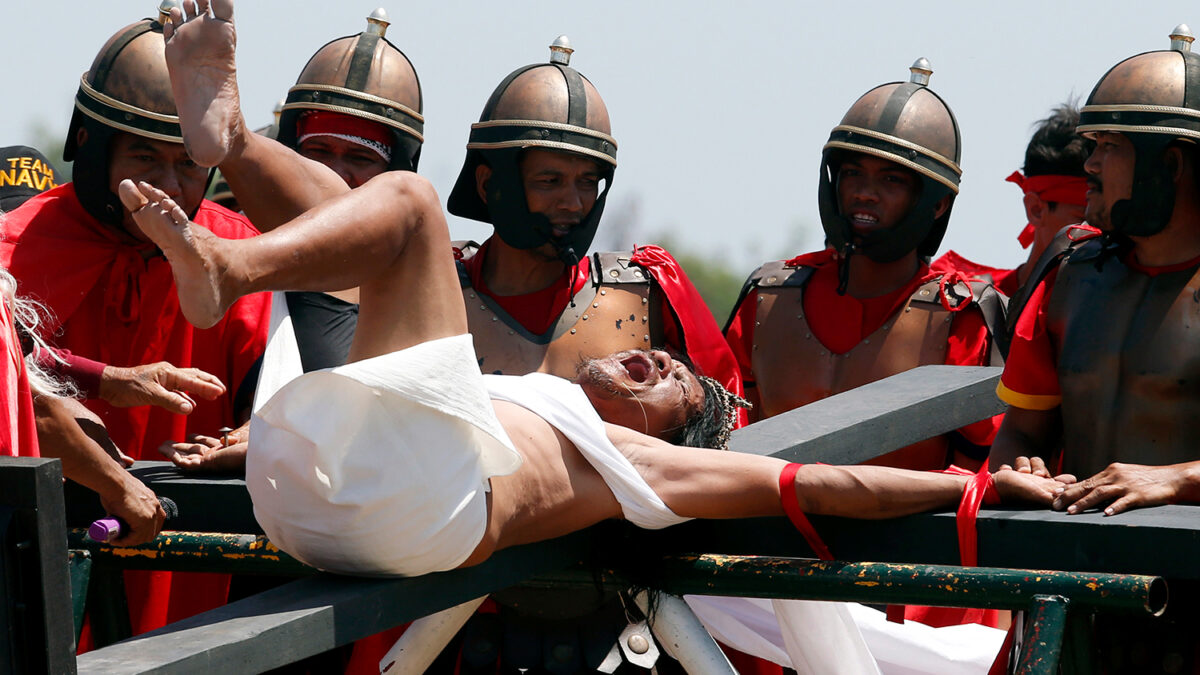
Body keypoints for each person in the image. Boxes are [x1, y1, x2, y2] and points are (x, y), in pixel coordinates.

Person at [117, 163, 1062, 668]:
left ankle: (229, 261)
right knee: (364, 234)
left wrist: (978, 487)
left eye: (675, 386)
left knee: (408, 209)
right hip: (321, 496)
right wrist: (246, 445)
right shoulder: (529, 389)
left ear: (672, 437)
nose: (656, 358)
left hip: (414, 508)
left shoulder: (639, 472)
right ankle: (233, 143)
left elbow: (825, 483)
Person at [160, 4, 743, 670]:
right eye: (549, 180)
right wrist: (269, 432)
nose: (572, 204)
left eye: (587, 182)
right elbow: (360, 411)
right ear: (493, 181)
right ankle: (232, 140)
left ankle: (232, 148)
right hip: (446, 626)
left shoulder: (649, 292)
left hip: (620, 628)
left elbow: (726, 426)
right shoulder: (438, 287)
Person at [0, 10, 270, 639]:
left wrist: (272, 427)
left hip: (189, 597)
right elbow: (22, 392)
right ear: (93, 148)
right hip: (28, 590)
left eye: (188, 163)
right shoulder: (11, 249)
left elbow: (297, 392)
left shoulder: (240, 257)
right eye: (144, 157)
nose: (169, 187)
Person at [990, 27, 1200, 674]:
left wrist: (1176, 479)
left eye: (1108, 148)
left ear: (1169, 163)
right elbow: (1021, 428)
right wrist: (1016, 469)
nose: (1089, 166)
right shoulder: (1070, 276)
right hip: (1077, 610)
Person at [725, 59, 1004, 472]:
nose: (865, 193)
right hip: (766, 531)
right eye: (853, 173)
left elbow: (979, 470)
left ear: (937, 203)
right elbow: (720, 438)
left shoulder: (962, 317)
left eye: (891, 180)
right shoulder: (767, 298)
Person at [932, 105, 1091, 297]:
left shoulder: (1118, 312)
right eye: (1084, 220)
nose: (1101, 234)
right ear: (1036, 210)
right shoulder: (958, 299)